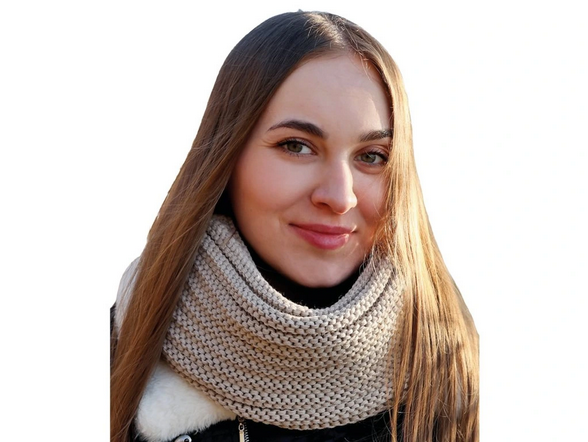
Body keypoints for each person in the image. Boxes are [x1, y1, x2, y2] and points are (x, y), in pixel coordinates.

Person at [110, 10, 479, 442]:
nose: (340, 197)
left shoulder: (456, 367)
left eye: (372, 156)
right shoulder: (119, 349)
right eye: (296, 146)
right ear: (227, 157)